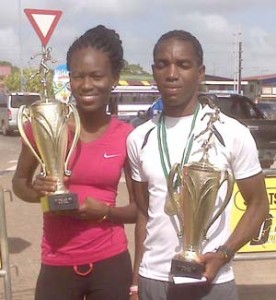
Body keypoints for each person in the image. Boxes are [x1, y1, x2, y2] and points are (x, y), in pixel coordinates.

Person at [127, 30, 269, 300]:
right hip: (154, 281)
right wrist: (136, 282)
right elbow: (144, 215)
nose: (171, 73)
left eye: (183, 64)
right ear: (153, 71)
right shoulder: (138, 138)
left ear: (200, 72)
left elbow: (259, 204)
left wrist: (224, 254)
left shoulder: (232, 132)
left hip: (212, 280)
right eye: (162, 64)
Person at [12, 25, 136, 300]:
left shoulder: (127, 136)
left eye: (96, 76)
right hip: (57, 262)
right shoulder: (44, 126)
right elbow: (19, 183)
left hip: (110, 263)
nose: (86, 85)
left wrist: (104, 211)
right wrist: (38, 192)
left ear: (114, 77)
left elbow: (140, 210)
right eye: (78, 76)